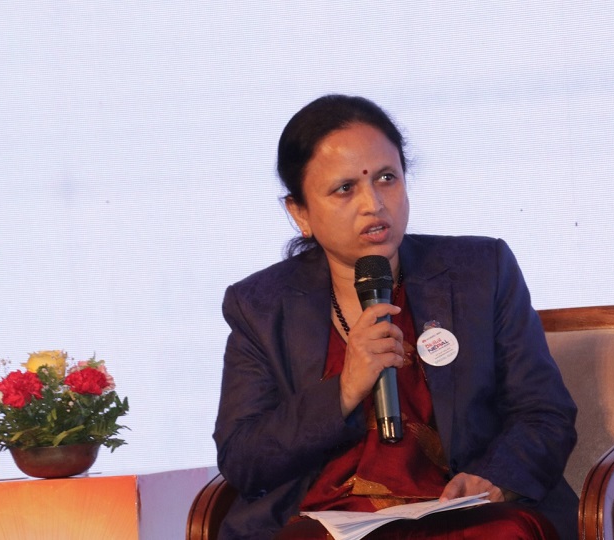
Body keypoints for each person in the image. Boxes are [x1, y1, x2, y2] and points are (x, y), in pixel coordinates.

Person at [213, 94, 579, 539]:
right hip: (325, 524)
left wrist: (495, 479)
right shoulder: (261, 306)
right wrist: (344, 390)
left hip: (459, 516)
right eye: (345, 188)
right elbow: (243, 459)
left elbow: (544, 412)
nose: (373, 203)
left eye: (387, 178)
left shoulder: (480, 272)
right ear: (300, 213)